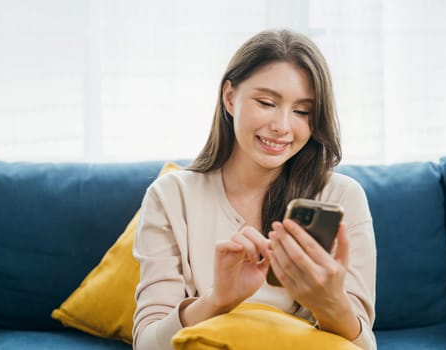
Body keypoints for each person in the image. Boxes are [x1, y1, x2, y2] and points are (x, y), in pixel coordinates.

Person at [132, 29, 376, 350]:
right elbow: (147, 345)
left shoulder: (342, 197)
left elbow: (364, 346)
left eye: (302, 111)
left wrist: (329, 302)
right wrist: (218, 299)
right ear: (230, 97)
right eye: (266, 102)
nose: (283, 126)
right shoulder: (171, 196)